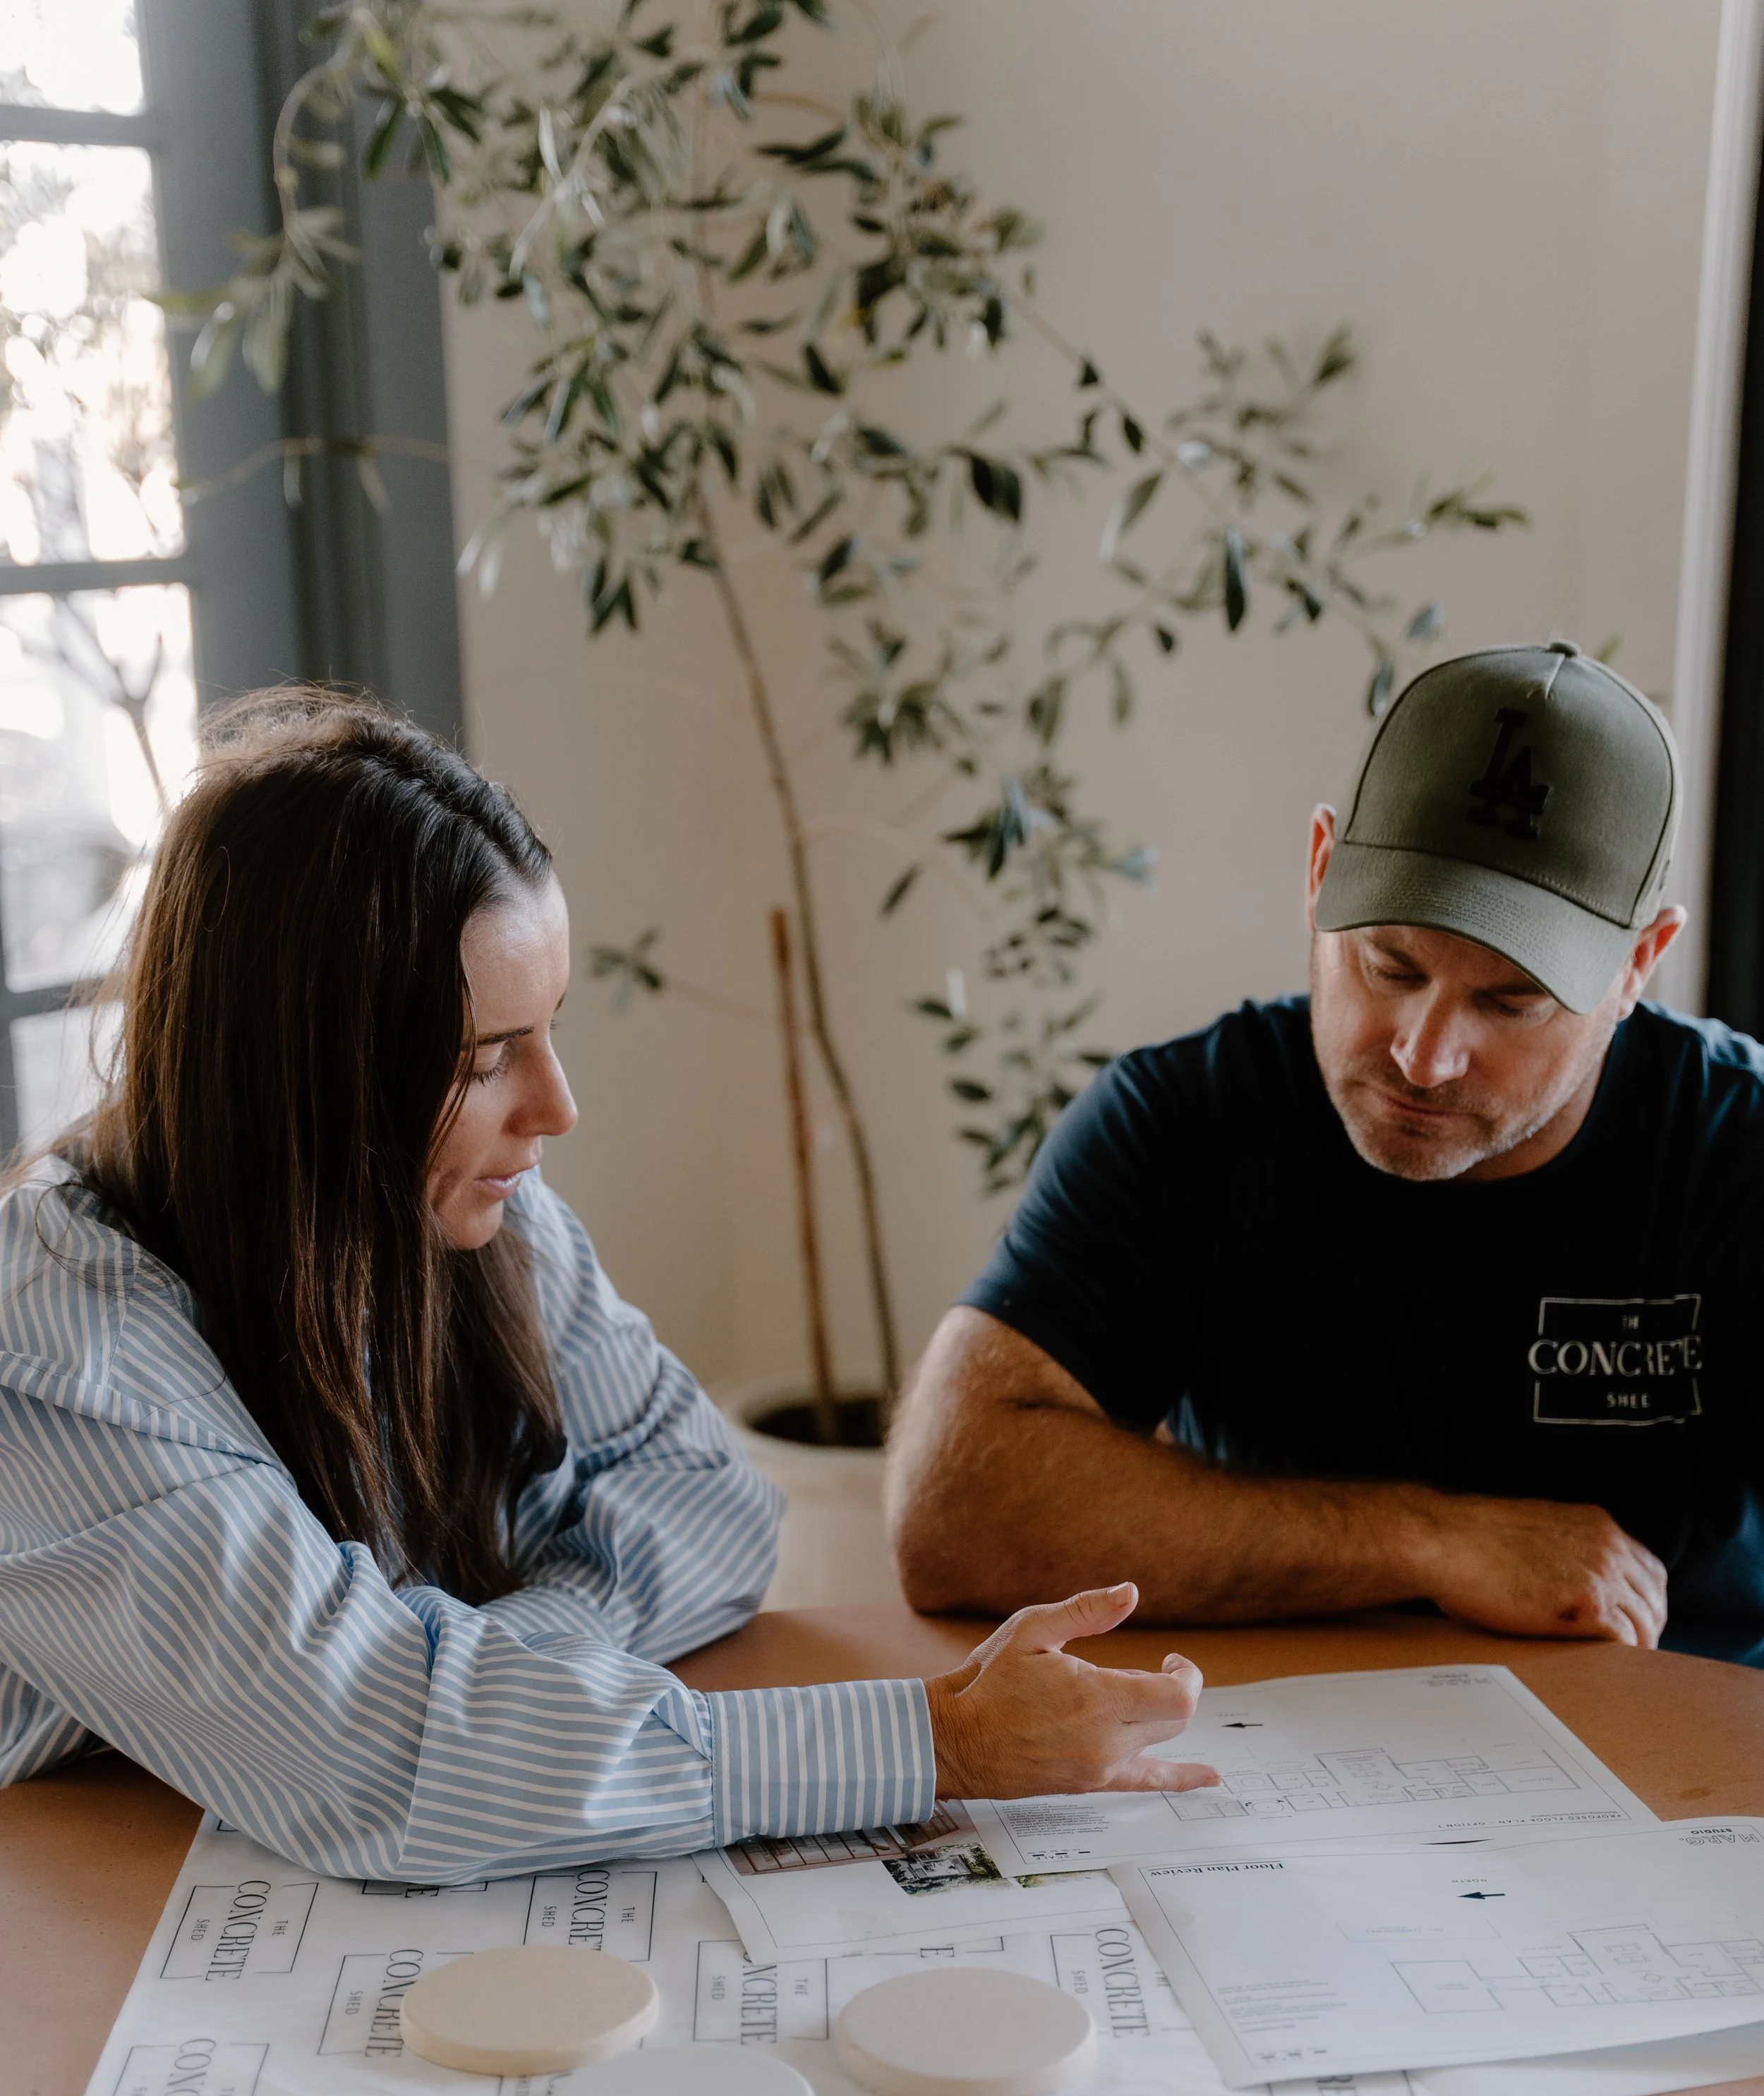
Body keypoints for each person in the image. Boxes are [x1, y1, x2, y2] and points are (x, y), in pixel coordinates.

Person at [0, 693, 1214, 1882]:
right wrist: (934, 1741)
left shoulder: (469, 1215)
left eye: (549, 1028)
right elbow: (386, 1749)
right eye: (484, 1059)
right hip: (91, 1924)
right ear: (300, 1087)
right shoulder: (60, 1336)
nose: (558, 1108)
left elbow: (714, 1507)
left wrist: (481, 1663)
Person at [890, 638, 1764, 1665]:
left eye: (1511, 1000)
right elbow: (953, 1506)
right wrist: (1426, 1537)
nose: (1424, 1055)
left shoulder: (1736, 1147)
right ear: (1319, 872)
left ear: (1638, 966)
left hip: (1682, 1767)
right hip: (1287, 1758)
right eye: (1388, 963)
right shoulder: (1184, 1120)